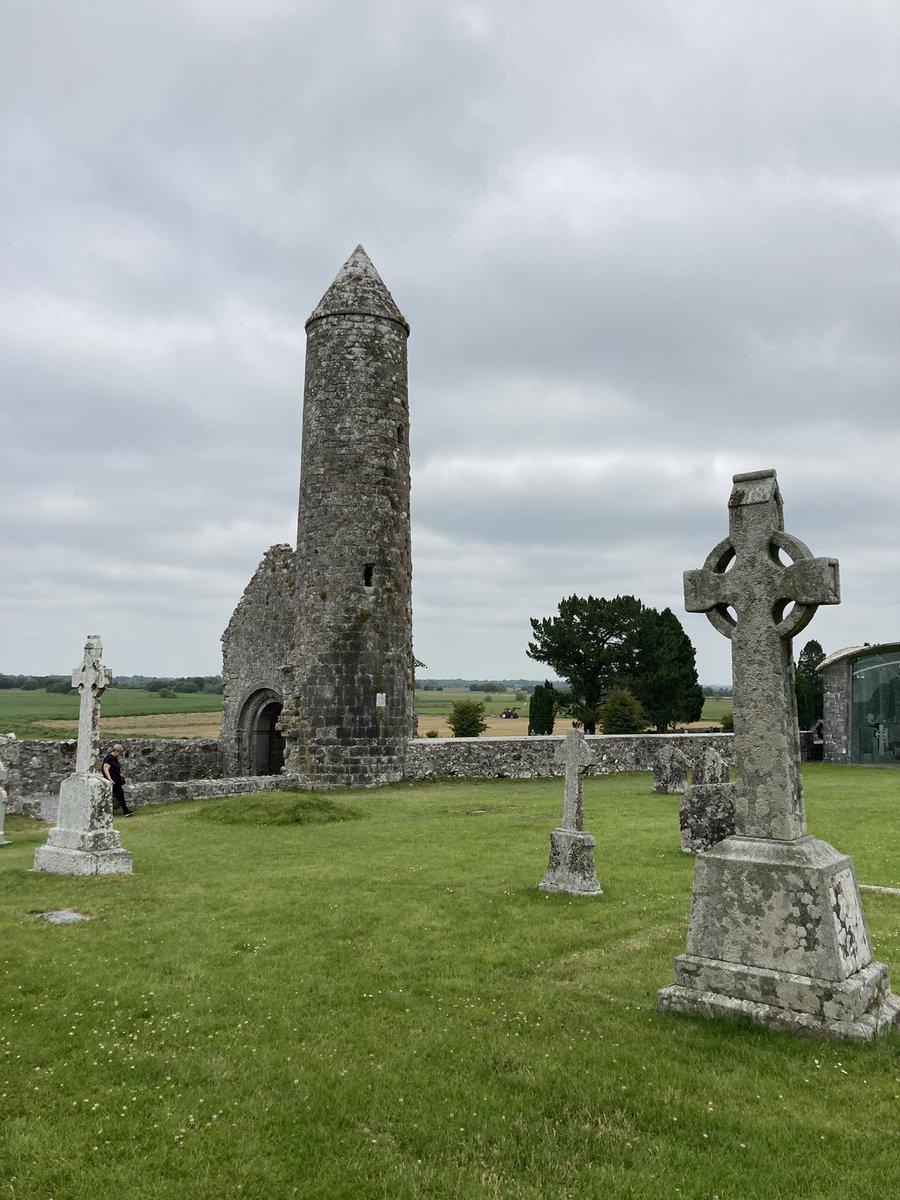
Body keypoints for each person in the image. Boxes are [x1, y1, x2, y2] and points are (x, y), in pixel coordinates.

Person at [101, 744, 133, 816]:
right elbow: (106, 770)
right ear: (115, 751)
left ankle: (125, 810)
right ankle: (125, 811)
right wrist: (110, 780)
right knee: (118, 795)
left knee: (120, 795)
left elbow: (116, 768)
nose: (119, 754)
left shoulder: (115, 758)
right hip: (112, 780)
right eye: (119, 752)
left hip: (117, 779)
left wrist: (120, 775)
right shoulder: (108, 758)